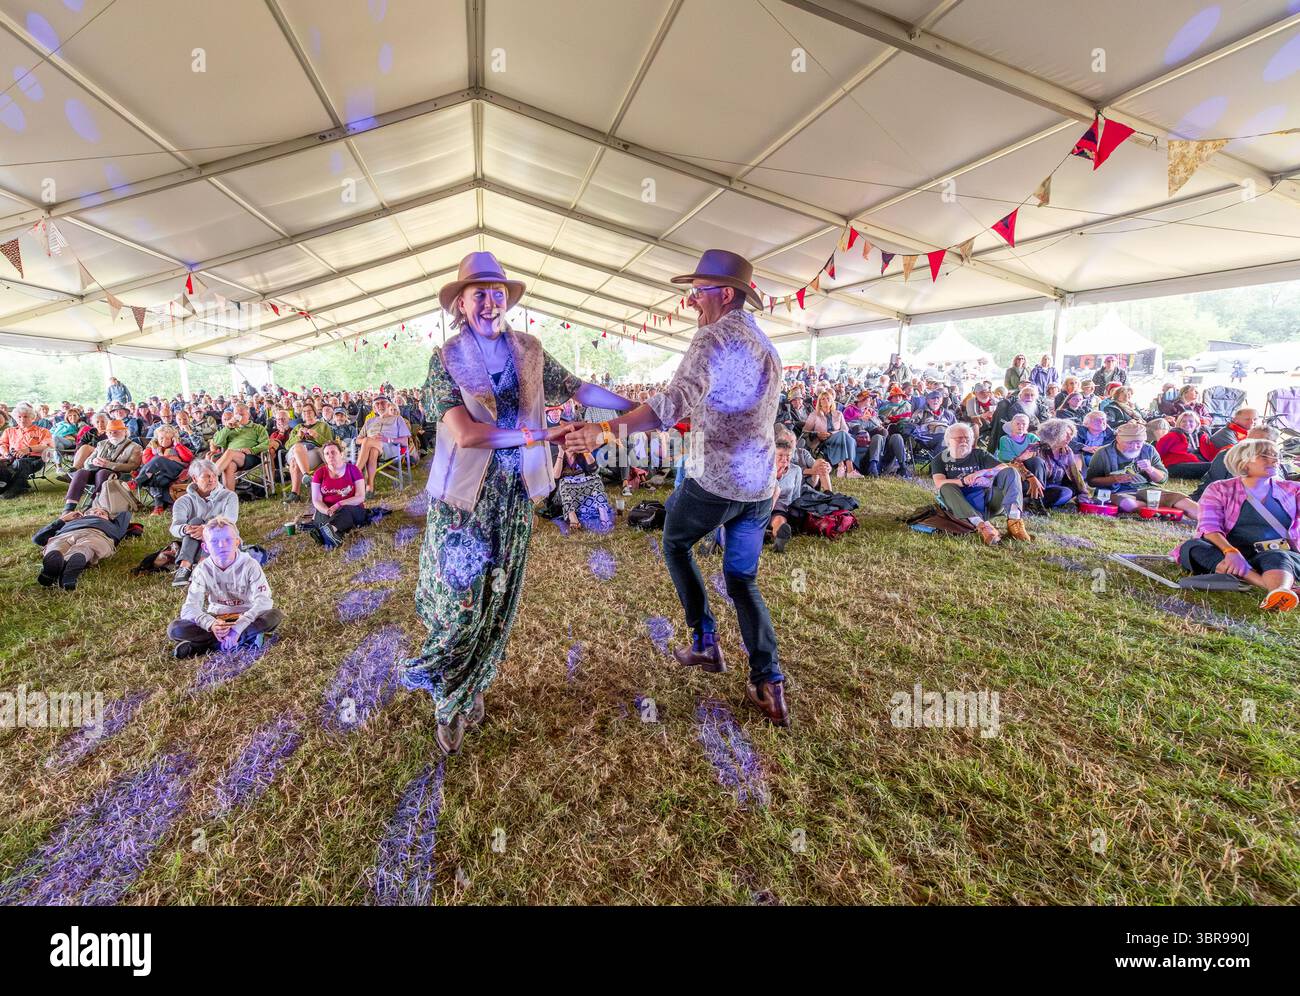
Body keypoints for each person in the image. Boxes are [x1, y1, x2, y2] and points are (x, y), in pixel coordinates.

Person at [399, 251, 629, 755]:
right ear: (460, 303)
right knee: (460, 606)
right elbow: (464, 434)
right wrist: (541, 433)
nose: (489, 301)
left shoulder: (529, 350)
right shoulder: (444, 359)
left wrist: (636, 409)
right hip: (464, 500)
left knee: (498, 600)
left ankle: (473, 683)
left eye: (496, 292)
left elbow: (579, 388)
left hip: (514, 497)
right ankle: (447, 697)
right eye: (478, 293)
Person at [563, 248, 789, 728]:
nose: (690, 302)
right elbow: (711, 405)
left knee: (674, 540)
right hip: (758, 484)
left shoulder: (713, 339)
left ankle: (705, 642)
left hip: (717, 478)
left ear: (724, 294)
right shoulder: (763, 342)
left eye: (697, 293)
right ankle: (767, 682)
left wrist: (606, 431)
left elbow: (672, 403)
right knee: (742, 579)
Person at [1175, 439, 1300, 612]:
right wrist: (1231, 552)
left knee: (1278, 557)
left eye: (1275, 456)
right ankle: (1272, 587)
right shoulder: (1219, 489)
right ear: (1243, 461)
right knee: (1192, 547)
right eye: (1265, 456)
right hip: (1233, 553)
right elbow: (1209, 528)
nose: (1274, 460)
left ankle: (1279, 591)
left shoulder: (1293, 489)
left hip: (1277, 552)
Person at [168, 517, 281, 658]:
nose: (222, 545)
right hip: (218, 618)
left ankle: (204, 646)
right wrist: (211, 624)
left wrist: (237, 628)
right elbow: (190, 607)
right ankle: (245, 640)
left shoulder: (250, 564)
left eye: (228, 540)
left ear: (237, 542)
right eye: (214, 542)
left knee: (273, 615)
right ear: (205, 547)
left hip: (246, 616)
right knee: (175, 629)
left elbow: (263, 601)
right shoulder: (202, 569)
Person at [931, 422, 1030, 545]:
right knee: (946, 487)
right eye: (959, 438)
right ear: (948, 441)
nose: (964, 441)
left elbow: (1003, 466)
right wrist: (962, 481)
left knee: (1011, 472)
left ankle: (1015, 522)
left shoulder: (979, 454)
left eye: (967, 438)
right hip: (962, 505)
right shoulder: (940, 459)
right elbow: (939, 482)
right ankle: (983, 527)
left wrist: (981, 473)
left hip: (989, 502)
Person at [1085, 421, 1198, 518]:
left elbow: (1163, 479)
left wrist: (1151, 469)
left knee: (1181, 499)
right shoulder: (1103, 453)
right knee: (1127, 503)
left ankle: (1210, 522)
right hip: (1117, 492)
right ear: (1118, 438)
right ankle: (1159, 509)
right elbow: (1092, 481)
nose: (1134, 446)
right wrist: (1114, 479)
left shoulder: (1149, 450)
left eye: (1138, 443)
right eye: (1129, 443)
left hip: (1148, 490)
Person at [169, 459, 239, 587]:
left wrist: (207, 530)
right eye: (206, 476)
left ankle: (203, 566)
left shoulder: (229, 496)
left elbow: (230, 521)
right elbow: (174, 527)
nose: (212, 479)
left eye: (214, 476)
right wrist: (186, 529)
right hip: (194, 548)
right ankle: (185, 566)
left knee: (213, 523)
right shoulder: (183, 501)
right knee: (194, 522)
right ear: (195, 479)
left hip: (222, 546)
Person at [33, 504, 132, 590]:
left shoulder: (114, 525)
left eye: (102, 513)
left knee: (86, 547)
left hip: (97, 535)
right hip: (65, 535)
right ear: (83, 515)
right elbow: (38, 539)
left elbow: (125, 510)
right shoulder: (69, 522)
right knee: (56, 548)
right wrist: (62, 519)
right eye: (92, 512)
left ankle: (65, 567)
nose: (97, 513)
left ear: (109, 519)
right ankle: (54, 569)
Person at [61, 419, 141, 512]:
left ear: (125, 432)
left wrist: (109, 464)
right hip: (96, 472)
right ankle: (69, 507)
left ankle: (93, 504)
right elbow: (87, 463)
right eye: (110, 432)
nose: (112, 434)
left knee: (103, 472)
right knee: (81, 472)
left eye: (116, 432)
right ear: (106, 433)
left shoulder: (135, 447)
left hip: (119, 475)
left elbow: (133, 466)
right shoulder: (101, 444)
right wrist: (93, 461)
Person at [310, 439, 373, 547]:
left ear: (341, 454)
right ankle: (330, 533)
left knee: (344, 511)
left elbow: (360, 497)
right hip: (328, 510)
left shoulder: (353, 470)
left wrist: (339, 504)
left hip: (351, 508)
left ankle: (326, 531)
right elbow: (316, 500)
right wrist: (328, 511)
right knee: (321, 513)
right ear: (324, 457)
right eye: (327, 454)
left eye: (333, 452)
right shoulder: (319, 473)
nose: (330, 455)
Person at [1024, 418, 1088, 511]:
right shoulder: (1036, 447)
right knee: (1036, 461)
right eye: (1066, 434)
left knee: (1067, 491)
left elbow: (1075, 473)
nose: (1070, 438)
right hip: (1035, 487)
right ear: (1054, 434)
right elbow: (1015, 462)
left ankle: (1040, 503)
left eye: (1071, 435)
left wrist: (1084, 493)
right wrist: (1031, 477)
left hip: (1055, 487)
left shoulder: (1067, 450)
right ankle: (1035, 501)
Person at [354, 396, 411, 491]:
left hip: (391, 448)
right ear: (374, 408)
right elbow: (357, 440)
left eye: (383, 403)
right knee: (372, 449)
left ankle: (354, 473)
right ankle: (370, 486)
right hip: (370, 449)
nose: (380, 406)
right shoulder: (369, 421)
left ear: (388, 405)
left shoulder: (398, 419)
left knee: (367, 441)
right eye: (377, 404)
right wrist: (370, 440)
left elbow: (405, 442)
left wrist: (388, 439)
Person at [135, 423, 194, 514]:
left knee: (159, 460)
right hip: (162, 474)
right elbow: (147, 462)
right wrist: (160, 455)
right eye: (161, 438)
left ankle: (137, 482)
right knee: (156, 476)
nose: (163, 440)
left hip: (177, 470)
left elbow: (188, 458)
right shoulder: (152, 448)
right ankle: (159, 506)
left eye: (167, 438)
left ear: (173, 438)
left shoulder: (180, 444)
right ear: (157, 438)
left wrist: (177, 445)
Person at [210, 403, 270, 492]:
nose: (239, 417)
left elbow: (265, 444)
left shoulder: (257, 428)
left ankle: (209, 477)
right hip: (230, 459)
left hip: (250, 457)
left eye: (242, 415)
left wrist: (252, 450)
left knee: (230, 452)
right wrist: (227, 428)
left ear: (248, 415)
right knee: (229, 466)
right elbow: (216, 442)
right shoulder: (230, 428)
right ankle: (229, 497)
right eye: (237, 415)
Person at [0, 403, 54, 499]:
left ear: (32, 418)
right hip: (11, 457)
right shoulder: (9, 431)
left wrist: (28, 449)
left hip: (34, 459)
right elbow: (2, 444)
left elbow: (46, 445)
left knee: (20, 463)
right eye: (19, 417)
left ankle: (14, 488)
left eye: (25, 417)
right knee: (5, 463)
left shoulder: (42, 431)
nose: (22, 419)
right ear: (16, 418)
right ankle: (6, 486)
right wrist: (6, 453)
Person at [281, 406, 335, 503]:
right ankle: (306, 475)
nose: (307, 413)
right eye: (304, 411)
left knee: (295, 461)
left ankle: (295, 494)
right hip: (294, 451)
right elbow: (287, 445)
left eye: (309, 411)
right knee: (298, 447)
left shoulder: (323, 426)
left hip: (313, 452)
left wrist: (316, 436)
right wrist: (298, 437)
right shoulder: (297, 427)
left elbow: (330, 444)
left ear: (314, 412)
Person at [803, 389, 859, 478]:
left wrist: (831, 433)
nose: (826, 401)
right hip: (822, 441)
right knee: (845, 437)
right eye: (823, 399)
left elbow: (845, 429)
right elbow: (805, 431)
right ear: (819, 402)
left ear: (832, 401)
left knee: (848, 438)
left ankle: (846, 468)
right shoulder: (814, 414)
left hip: (838, 438)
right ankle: (847, 469)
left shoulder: (838, 414)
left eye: (828, 398)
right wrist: (817, 434)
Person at [1155, 410, 1215, 479]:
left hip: (1198, 463)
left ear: (1197, 424)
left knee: (1218, 465)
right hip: (1176, 466)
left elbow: (1211, 452)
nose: (1187, 423)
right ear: (1178, 424)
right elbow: (1158, 452)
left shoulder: (1202, 436)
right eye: (1183, 421)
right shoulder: (1173, 435)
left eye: (1191, 421)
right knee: (1212, 467)